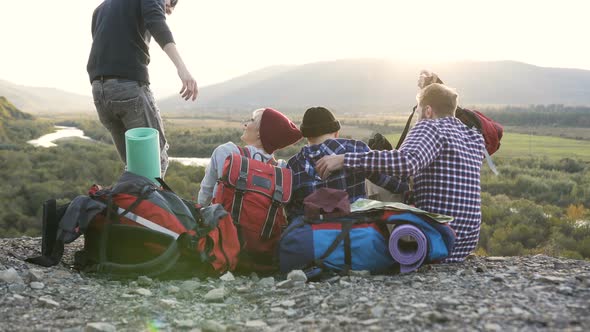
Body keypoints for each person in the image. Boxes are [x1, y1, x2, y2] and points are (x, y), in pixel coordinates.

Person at [316, 84, 485, 262]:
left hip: (433, 241)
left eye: (418, 112)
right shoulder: (474, 136)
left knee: (373, 179)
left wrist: (344, 159)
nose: (417, 118)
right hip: (464, 244)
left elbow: (408, 163)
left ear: (427, 110)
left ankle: (366, 244)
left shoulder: (430, 126)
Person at [87, 0, 197, 177]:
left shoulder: (102, 8)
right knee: (154, 162)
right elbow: (157, 23)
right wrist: (182, 69)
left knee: (134, 167)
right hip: (128, 88)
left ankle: (130, 203)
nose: (167, 9)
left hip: (100, 92)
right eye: (170, 3)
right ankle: (147, 204)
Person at [286, 106, 408, 217]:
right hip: (354, 235)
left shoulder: (293, 165)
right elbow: (395, 185)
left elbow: (290, 212)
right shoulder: (355, 149)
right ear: (336, 132)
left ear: (306, 136)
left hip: (312, 238)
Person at [197, 108, 302, 206]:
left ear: (260, 133)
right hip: (264, 225)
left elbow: (205, 195)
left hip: (224, 223)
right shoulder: (283, 169)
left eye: (252, 120)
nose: (246, 125)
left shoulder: (227, 152)